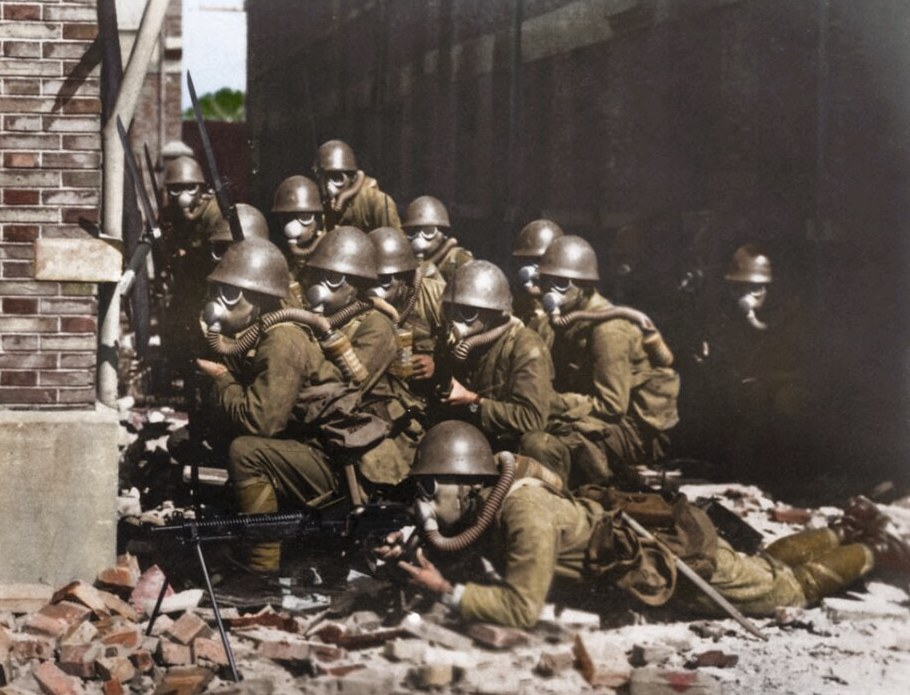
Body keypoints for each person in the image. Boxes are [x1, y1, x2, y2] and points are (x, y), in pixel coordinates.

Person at [380, 421, 908, 630]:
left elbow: (521, 608)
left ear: (467, 483)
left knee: (782, 590)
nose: (425, 503)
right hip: (642, 536)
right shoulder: (501, 492)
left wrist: (447, 592)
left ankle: (872, 550)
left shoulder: (523, 514)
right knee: (763, 563)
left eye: (431, 490)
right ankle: (841, 531)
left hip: (671, 561)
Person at [196, 235, 417, 576]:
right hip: (323, 444)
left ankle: (262, 569)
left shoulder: (289, 336)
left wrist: (223, 378)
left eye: (228, 294)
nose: (216, 304)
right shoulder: (277, 331)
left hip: (345, 459)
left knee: (247, 451)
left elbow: (261, 423)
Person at [521, 235, 680, 489]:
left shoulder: (608, 330)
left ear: (584, 285)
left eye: (561, 284)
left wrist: (552, 402)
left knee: (550, 443)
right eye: (548, 281)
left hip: (636, 431)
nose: (551, 291)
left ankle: (593, 495)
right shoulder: (570, 318)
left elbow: (612, 405)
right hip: (607, 417)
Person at [430, 260, 556, 452]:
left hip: (510, 447)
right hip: (470, 440)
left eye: (468, 312)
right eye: (450, 309)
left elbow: (532, 419)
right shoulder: (453, 344)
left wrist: (474, 401)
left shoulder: (524, 346)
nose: (455, 320)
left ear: (493, 313)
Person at [366, 227, 446, 397]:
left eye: (384, 280)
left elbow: (466, 353)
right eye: (370, 280)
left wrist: (438, 366)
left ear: (405, 276)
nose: (374, 290)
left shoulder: (437, 298)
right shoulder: (356, 300)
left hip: (430, 392)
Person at [312, 139, 400, 231]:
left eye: (337, 178)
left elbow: (393, 241)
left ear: (353, 178)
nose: (328, 186)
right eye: (323, 178)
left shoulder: (377, 203)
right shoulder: (320, 204)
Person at [270, 175, 326, 304]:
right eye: (287, 218)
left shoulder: (333, 246)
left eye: (304, 217)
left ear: (318, 218)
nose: (292, 226)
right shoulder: (278, 254)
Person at [400, 195, 473, 284]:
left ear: (444, 233)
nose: (419, 237)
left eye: (428, 231)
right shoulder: (407, 261)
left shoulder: (459, 259)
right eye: (412, 231)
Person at [511, 218, 564, 325]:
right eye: (526, 261)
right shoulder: (515, 301)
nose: (532, 271)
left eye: (540, 261)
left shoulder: (571, 304)